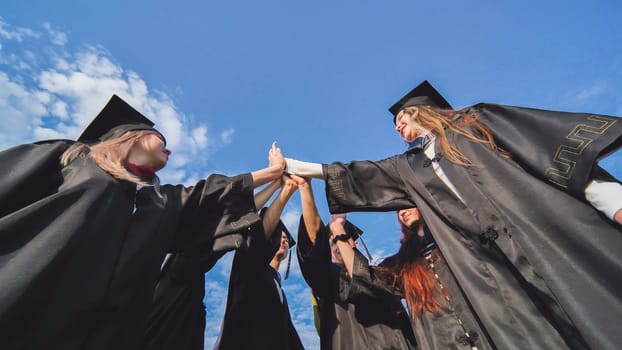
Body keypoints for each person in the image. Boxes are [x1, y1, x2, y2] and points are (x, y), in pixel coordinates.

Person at [285, 81, 622, 349]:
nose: (397, 124)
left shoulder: (478, 123)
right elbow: (362, 173)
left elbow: (547, 154)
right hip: (491, 274)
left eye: (402, 116)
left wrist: (613, 201)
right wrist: (294, 167)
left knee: (595, 312)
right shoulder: (411, 168)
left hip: (538, 235)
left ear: (424, 110)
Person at [0, 95, 286, 350]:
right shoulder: (71, 160)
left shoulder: (157, 202)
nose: (169, 150)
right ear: (133, 136)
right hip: (24, 301)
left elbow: (212, 202)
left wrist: (275, 178)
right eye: (162, 139)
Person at [143, 179, 284, 350]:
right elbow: (224, 225)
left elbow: (227, 222)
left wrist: (277, 185)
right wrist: (277, 183)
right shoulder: (177, 267)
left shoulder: (157, 267)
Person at [294, 176, 416, 350]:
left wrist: (339, 231)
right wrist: (305, 187)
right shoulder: (328, 278)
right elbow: (313, 241)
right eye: (332, 243)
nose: (337, 244)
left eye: (341, 240)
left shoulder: (384, 273)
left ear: (356, 244)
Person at [216, 176, 304, 350]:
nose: (284, 240)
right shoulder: (251, 267)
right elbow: (261, 234)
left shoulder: (277, 284)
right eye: (280, 235)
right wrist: (285, 190)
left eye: (286, 238)